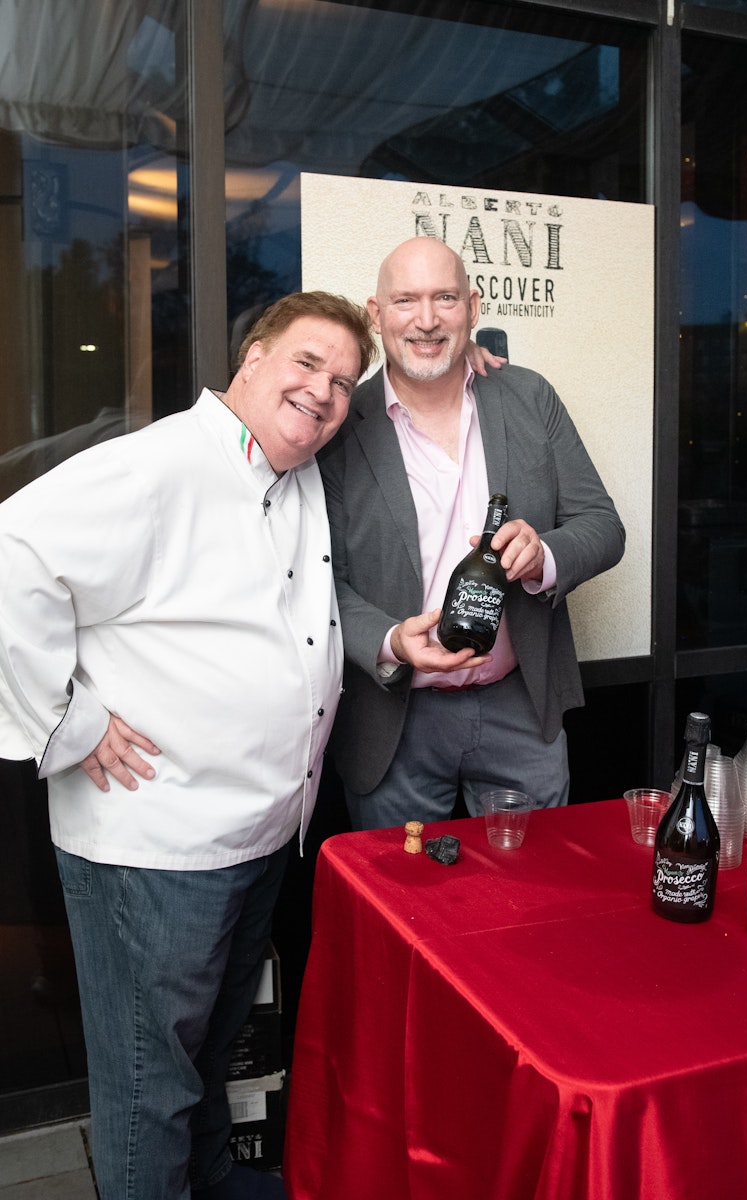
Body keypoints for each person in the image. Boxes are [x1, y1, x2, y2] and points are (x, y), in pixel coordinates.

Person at [0, 291, 376, 1200]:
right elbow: (13, 555)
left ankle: (207, 1185)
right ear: (252, 359)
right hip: (158, 845)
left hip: (255, 832)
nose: (323, 391)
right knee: (150, 1085)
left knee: (211, 1056)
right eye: (306, 363)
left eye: (343, 382)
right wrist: (70, 724)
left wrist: (467, 363)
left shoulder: (294, 472)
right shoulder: (160, 463)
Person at [318, 236, 625, 831]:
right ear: (376, 314)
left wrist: (544, 555)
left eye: (445, 298)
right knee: (402, 887)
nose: (427, 319)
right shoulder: (338, 424)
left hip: (520, 706)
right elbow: (321, 581)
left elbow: (603, 526)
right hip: (393, 717)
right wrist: (390, 640)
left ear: (473, 307)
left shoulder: (529, 396)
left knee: (532, 882)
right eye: (405, 300)